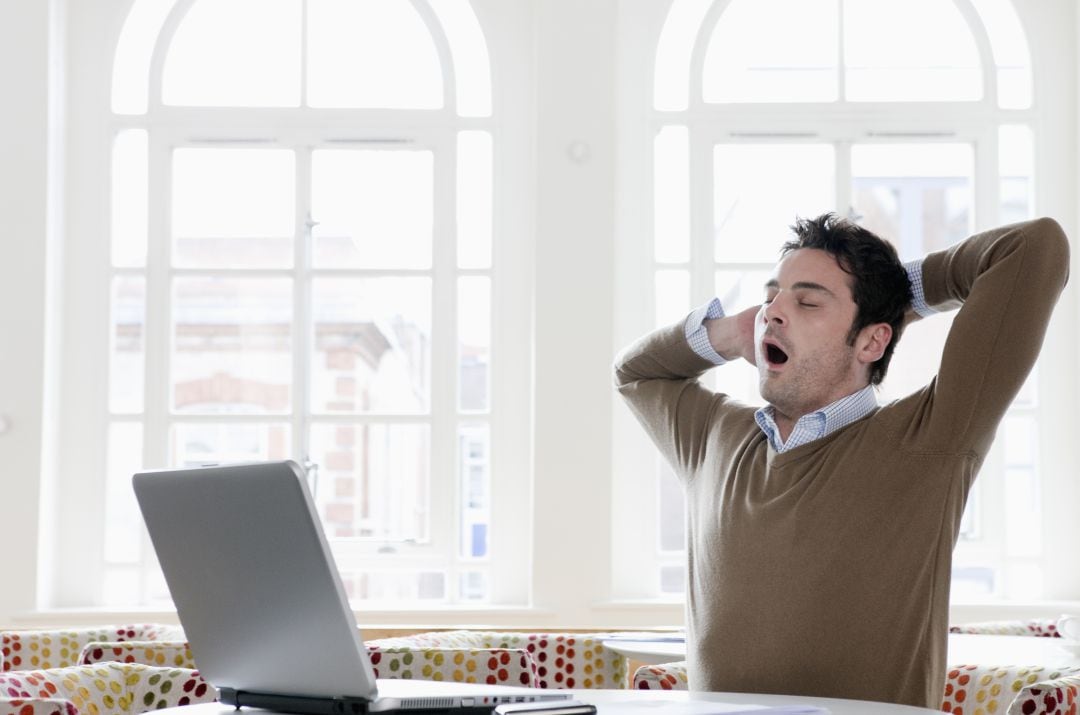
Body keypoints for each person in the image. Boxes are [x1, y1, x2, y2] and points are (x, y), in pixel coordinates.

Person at [613, 214, 1069, 708]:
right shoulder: (713, 437)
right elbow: (634, 374)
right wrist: (727, 334)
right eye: (770, 298)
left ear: (873, 341)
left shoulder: (930, 440)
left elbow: (1035, 248)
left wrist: (897, 296)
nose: (775, 311)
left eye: (808, 301)